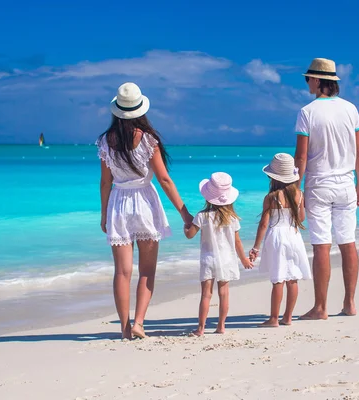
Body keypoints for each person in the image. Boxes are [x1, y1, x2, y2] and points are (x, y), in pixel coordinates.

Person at [97, 82, 193, 340]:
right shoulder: (149, 140)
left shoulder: (106, 141)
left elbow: (105, 182)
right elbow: (164, 180)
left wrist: (104, 213)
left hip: (119, 203)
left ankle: (124, 328)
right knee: (147, 270)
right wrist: (185, 214)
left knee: (121, 272)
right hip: (145, 203)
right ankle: (139, 322)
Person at [293, 58, 359, 320]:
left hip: (319, 185)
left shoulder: (307, 112)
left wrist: (295, 190)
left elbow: (301, 158)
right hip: (346, 184)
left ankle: (321, 307)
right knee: (348, 243)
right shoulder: (351, 109)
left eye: (308, 79)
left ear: (317, 80)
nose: (307, 84)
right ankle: (350, 303)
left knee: (321, 246)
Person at [184, 172, 253, 336]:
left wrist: (186, 225)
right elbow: (237, 242)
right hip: (227, 259)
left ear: (208, 197)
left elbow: (189, 235)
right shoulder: (232, 219)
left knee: (206, 294)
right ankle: (221, 326)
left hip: (208, 259)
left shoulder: (202, 216)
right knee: (224, 293)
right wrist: (243, 259)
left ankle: (200, 328)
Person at [249, 153, 312, 327]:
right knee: (292, 278)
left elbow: (263, 225)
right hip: (293, 235)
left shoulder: (271, 197)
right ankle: (288, 317)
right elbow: (301, 217)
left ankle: (274, 319)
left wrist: (255, 248)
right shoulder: (299, 194)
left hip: (277, 237)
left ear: (273, 177)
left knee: (278, 278)